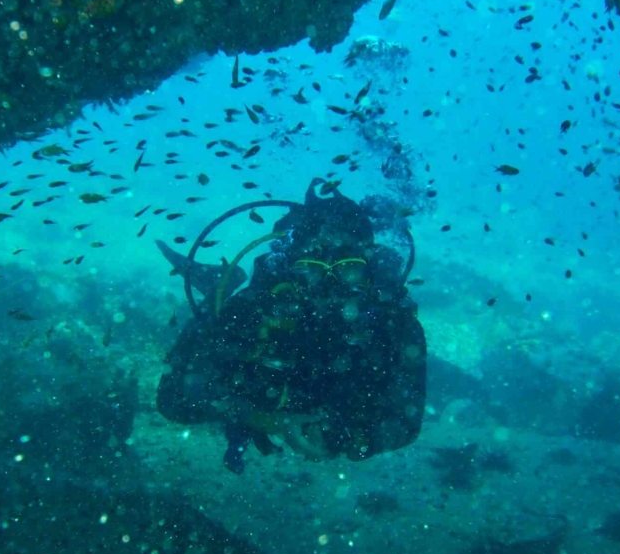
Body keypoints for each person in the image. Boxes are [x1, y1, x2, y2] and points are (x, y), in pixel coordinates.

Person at [156, 180, 426, 473]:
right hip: (262, 397)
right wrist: (262, 418)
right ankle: (222, 283)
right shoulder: (256, 308)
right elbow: (173, 399)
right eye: (311, 269)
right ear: (291, 267)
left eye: (348, 269)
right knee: (219, 320)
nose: (328, 286)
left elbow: (406, 424)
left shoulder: (393, 323)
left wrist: (344, 438)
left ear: (369, 271)